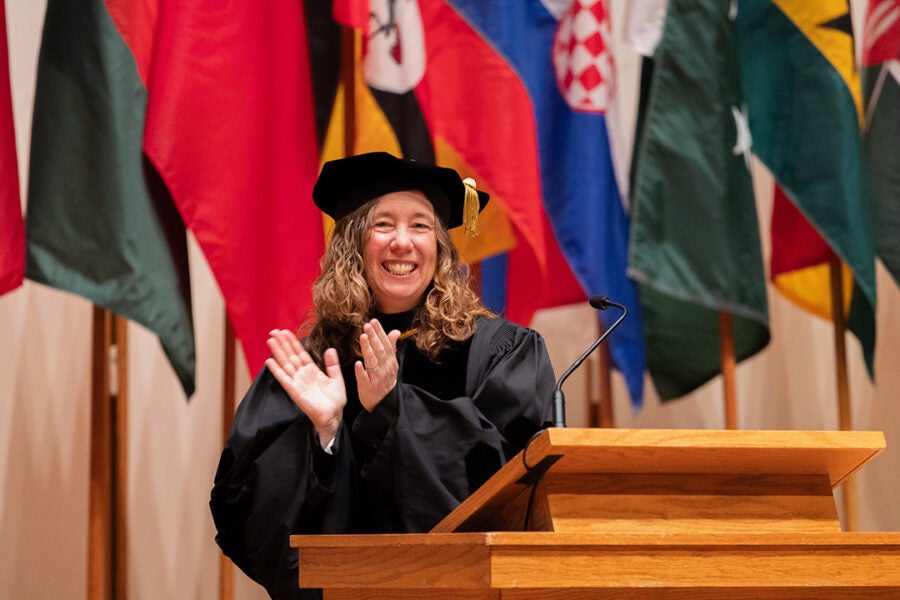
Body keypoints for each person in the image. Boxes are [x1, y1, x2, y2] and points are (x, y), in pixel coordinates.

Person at [210, 152, 555, 599]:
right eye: (383, 224)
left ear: (441, 247)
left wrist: (394, 410)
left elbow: (515, 484)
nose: (402, 242)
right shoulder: (313, 361)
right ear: (352, 245)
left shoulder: (499, 352)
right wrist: (326, 438)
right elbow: (246, 515)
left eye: (420, 225)